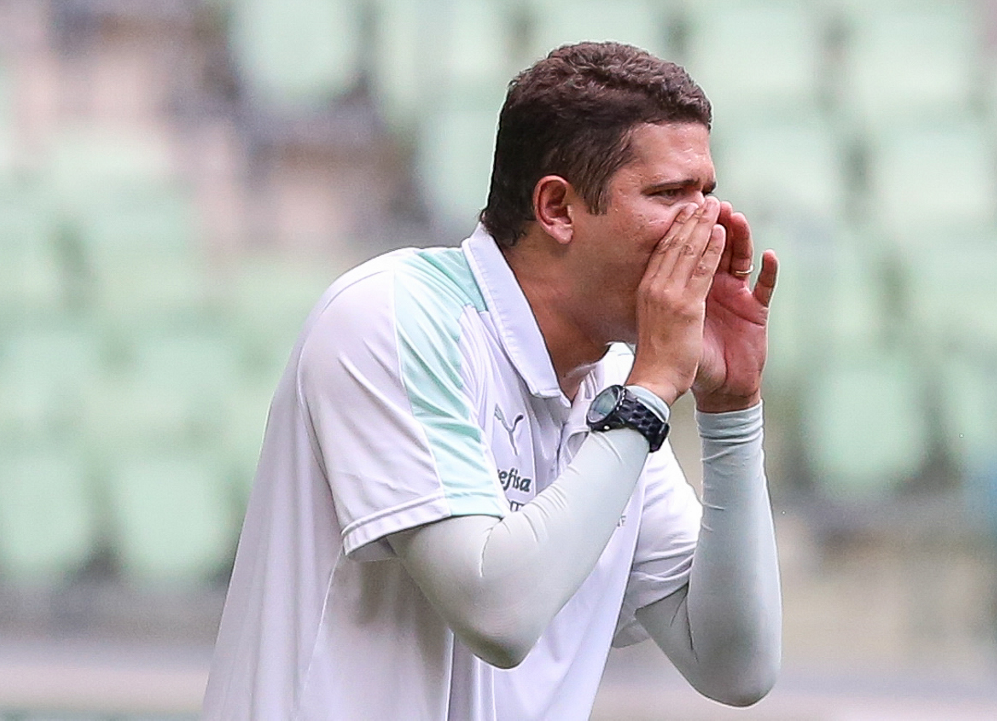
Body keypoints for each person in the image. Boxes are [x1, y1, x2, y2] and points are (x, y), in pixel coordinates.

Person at [202, 41, 783, 720]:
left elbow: (736, 666)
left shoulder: (614, 389)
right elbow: (498, 612)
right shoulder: (392, 316)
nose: (707, 227)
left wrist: (731, 410)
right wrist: (650, 395)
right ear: (557, 208)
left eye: (706, 194)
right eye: (669, 195)